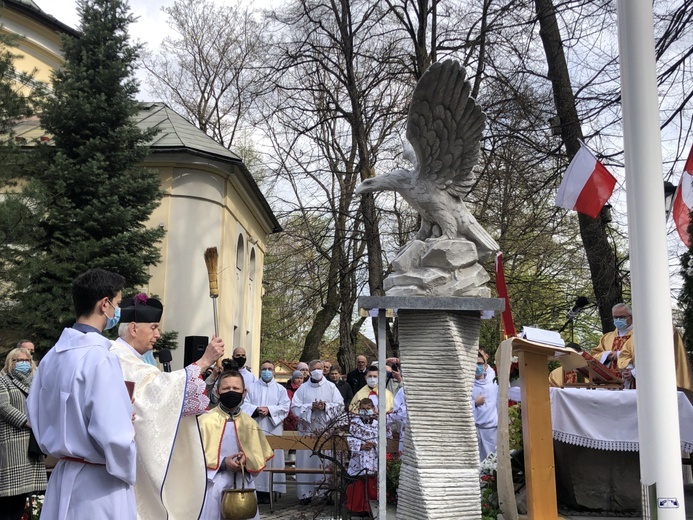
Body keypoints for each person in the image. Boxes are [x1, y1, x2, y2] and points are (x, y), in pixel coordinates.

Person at [27, 268, 137, 520]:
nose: (117, 312)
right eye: (117, 304)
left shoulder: (51, 357)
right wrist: (127, 433)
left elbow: (34, 414)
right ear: (104, 304)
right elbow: (114, 436)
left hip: (63, 475)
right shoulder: (100, 358)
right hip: (99, 484)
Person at [109, 293, 225, 519]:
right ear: (133, 328)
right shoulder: (120, 358)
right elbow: (157, 392)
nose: (157, 334)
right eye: (153, 328)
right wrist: (204, 361)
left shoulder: (135, 359)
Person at [199, 371, 274, 520]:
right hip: (212, 485)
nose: (231, 392)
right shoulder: (204, 421)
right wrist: (222, 463)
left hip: (242, 486)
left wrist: (247, 462)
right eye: (226, 389)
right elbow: (193, 456)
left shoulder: (250, 423)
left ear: (244, 392)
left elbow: (258, 456)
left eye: (235, 388)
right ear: (218, 392)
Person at [0, 348, 46, 520]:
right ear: (10, 362)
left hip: (31, 445)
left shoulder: (35, 382)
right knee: (9, 499)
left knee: (22, 499)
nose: (23, 364)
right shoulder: (3, 380)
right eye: (18, 361)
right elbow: (4, 406)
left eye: (26, 361)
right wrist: (28, 422)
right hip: (13, 444)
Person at [290, 359, 344, 503]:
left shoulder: (331, 387)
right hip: (307, 432)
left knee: (325, 462)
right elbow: (295, 407)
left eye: (319, 368)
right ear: (309, 370)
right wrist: (310, 407)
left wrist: (326, 407)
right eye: (313, 369)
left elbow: (340, 406)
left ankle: (326, 494)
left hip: (326, 431)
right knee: (306, 462)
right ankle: (305, 494)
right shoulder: (302, 389)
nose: (317, 371)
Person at [242, 360, 291, 505]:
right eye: (264, 369)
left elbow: (285, 407)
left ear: (274, 372)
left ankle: (271, 490)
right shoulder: (250, 387)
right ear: (260, 371)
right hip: (255, 426)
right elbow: (244, 404)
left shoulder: (280, 389)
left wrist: (269, 410)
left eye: (270, 369)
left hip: (272, 427)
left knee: (272, 459)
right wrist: (256, 410)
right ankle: (256, 490)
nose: (267, 371)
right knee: (255, 456)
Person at [345, 398, 381, 517]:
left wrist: (374, 444)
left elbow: (384, 438)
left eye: (368, 409)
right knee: (359, 482)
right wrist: (361, 445)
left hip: (373, 456)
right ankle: (358, 507)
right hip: (359, 456)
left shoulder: (378, 423)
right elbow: (350, 438)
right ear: (359, 410)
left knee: (372, 481)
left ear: (373, 409)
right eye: (363, 409)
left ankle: (370, 508)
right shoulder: (355, 423)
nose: (366, 411)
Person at [590, 303, 634, 371]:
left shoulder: (638, 336)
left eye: (622, 317)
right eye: (615, 317)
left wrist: (619, 355)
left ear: (631, 317)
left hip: (632, 378)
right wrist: (606, 355)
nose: (618, 320)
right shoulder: (607, 338)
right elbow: (594, 357)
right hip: (610, 379)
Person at [472, 352, 498, 462]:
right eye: (475, 364)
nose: (478, 366)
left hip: (491, 430)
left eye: (480, 363)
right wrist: (474, 403)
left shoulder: (493, 381)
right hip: (475, 431)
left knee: (492, 464)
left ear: (485, 365)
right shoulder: (468, 384)